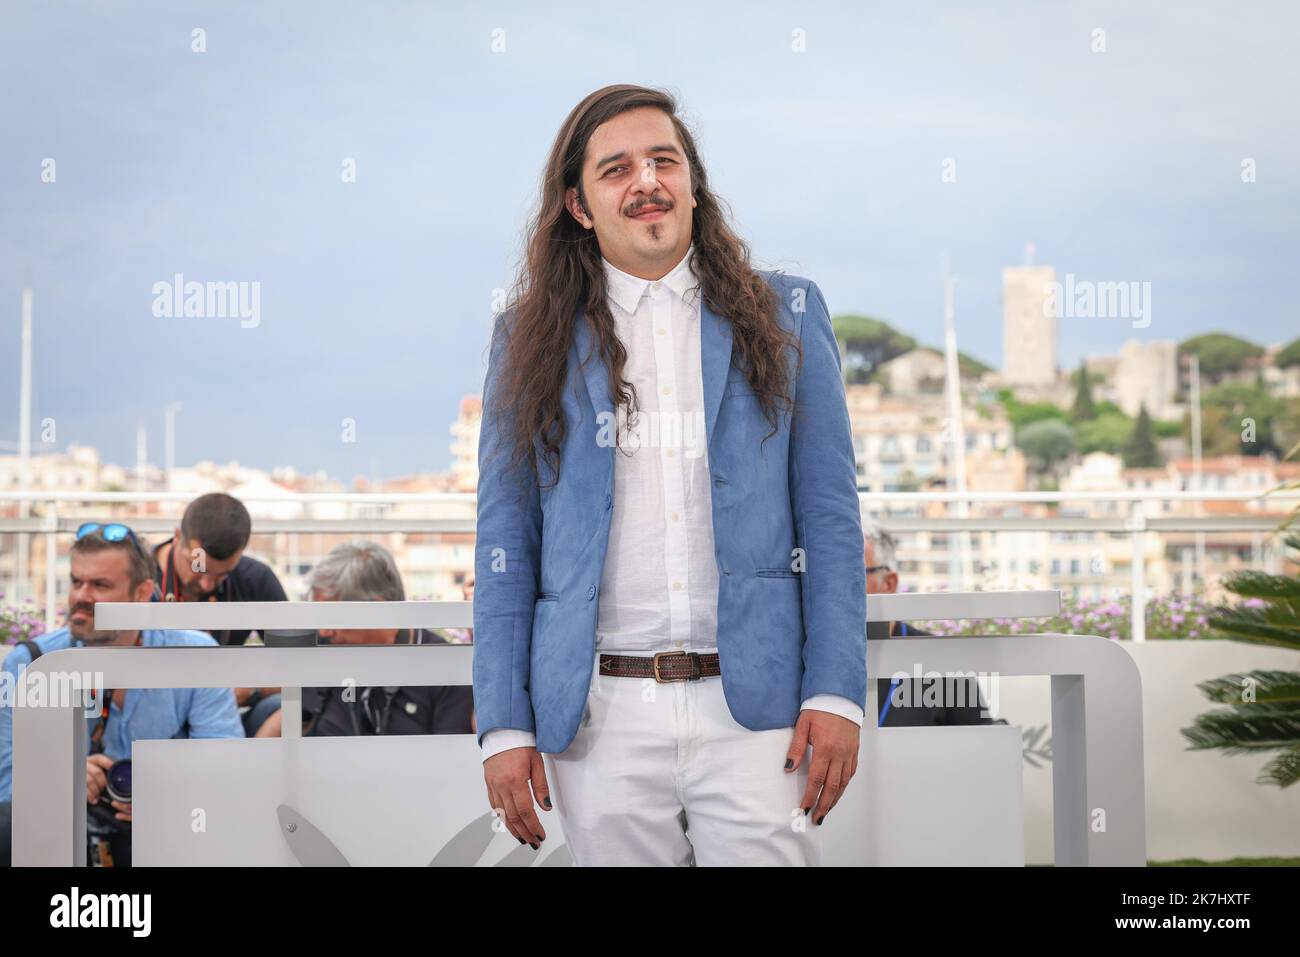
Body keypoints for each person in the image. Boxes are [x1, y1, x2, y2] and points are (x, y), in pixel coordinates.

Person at [474, 85, 865, 865]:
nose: (646, 181)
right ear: (580, 206)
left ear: (693, 183)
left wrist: (835, 690)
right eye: (616, 168)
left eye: (664, 160)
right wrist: (505, 723)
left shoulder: (786, 313)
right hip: (599, 717)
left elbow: (829, 515)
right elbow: (504, 536)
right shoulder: (528, 337)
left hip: (760, 714)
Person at [0, 523, 244, 866]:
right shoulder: (32, 662)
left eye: (100, 585)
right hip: (60, 836)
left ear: (142, 593)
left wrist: (166, 790)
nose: (81, 596)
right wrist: (57, 777)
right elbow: (5, 779)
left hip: (164, 834)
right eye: (75, 581)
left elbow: (227, 765)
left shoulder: (194, 656)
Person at [252, 542, 474, 738]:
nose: (324, 631)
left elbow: (450, 763)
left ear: (378, 609)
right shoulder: (325, 650)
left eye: (332, 618)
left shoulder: (444, 666)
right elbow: (293, 715)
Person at [152, 492, 287, 733]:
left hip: (222, 713)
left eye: (222, 575)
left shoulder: (254, 579)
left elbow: (302, 665)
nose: (206, 584)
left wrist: (250, 691)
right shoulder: (140, 577)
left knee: (286, 707)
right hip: (153, 713)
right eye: (198, 567)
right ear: (176, 537)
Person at [863, 522, 995, 728]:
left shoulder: (940, 658)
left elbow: (982, 744)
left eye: (851, 575)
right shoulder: (817, 659)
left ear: (888, 583)